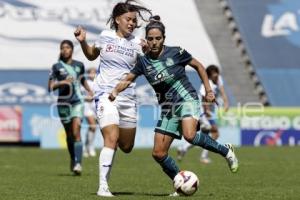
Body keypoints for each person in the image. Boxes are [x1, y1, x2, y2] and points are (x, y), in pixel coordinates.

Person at [109, 16, 238, 196]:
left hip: (187, 99)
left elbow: (200, 66)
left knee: (190, 135)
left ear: (164, 38)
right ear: (146, 39)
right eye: (151, 38)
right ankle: (180, 181)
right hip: (168, 109)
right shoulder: (143, 62)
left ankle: (226, 151)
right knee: (158, 153)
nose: (154, 42)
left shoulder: (176, 52)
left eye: (158, 38)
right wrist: (115, 91)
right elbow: (128, 79)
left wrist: (208, 91)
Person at [74, 0, 152, 197]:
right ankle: (103, 186)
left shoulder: (137, 43)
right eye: (128, 19)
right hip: (105, 95)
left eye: (134, 20)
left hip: (128, 97)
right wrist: (83, 41)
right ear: (118, 20)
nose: (132, 23)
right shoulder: (105, 36)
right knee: (111, 138)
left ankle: (105, 183)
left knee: (126, 146)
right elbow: (92, 56)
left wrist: (149, 52)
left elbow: (148, 67)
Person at [48, 40, 93, 175]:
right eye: (63, 48)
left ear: (72, 49)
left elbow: (82, 80)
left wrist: (90, 90)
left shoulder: (79, 65)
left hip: (77, 101)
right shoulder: (56, 67)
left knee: (76, 131)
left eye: (67, 47)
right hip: (63, 103)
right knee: (69, 135)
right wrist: (62, 82)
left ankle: (78, 163)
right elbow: (50, 87)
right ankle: (73, 158)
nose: (65, 50)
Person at [177, 65, 230, 164]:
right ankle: (203, 156)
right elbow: (203, 99)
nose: (216, 75)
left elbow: (222, 91)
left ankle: (183, 148)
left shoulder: (218, 80)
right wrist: (207, 113)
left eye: (216, 72)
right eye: (213, 73)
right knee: (215, 133)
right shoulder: (206, 85)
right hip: (203, 112)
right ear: (209, 75)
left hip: (209, 112)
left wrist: (226, 102)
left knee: (203, 136)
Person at [82, 67, 97, 157]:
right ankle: (89, 147)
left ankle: (88, 146)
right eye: (91, 72)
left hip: (95, 106)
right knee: (92, 125)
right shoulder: (85, 83)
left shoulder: (98, 82)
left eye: (94, 72)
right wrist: (86, 97)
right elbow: (80, 93)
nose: (93, 74)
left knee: (93, 128)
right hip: (87, 105)